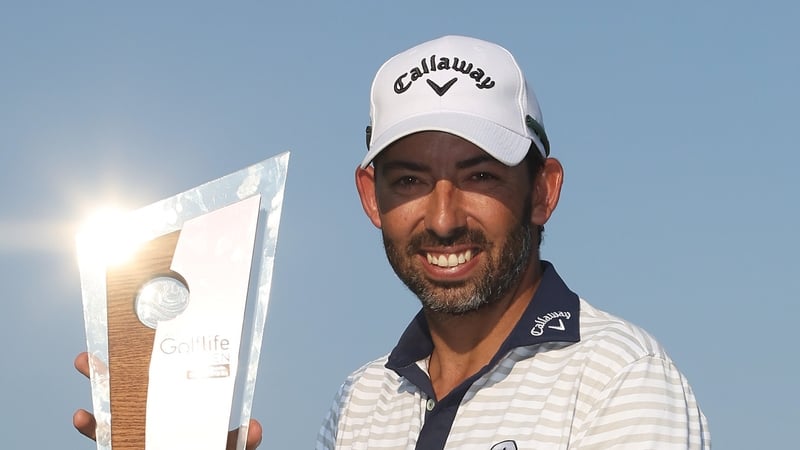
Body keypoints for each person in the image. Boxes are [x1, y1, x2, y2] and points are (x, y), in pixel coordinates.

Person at [76, 35, 710, 449]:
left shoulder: (619, 380)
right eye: (409, 180)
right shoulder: (362, 401)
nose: (441, 218)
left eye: (479, 175)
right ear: (371, 197)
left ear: (543, 191)